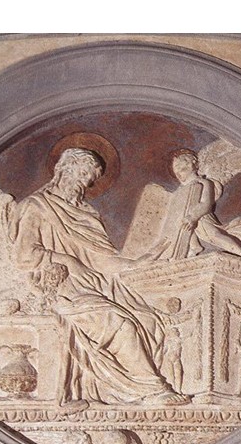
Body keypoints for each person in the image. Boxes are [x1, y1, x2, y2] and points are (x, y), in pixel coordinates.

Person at [12, 148, 189, 408]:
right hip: (60, 288)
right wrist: (68, 261)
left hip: (93, 285)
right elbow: (24, 256)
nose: (85, 183)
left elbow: (102, 260)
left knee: (149, 320)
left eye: (90, 179)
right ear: (64, 168)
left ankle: (127, 391)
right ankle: (153, 390)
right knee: (120, 324)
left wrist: (137, 263)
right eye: (83, 173)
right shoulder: (36, 207)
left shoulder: (87, 214)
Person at [159, 150, 241, 260]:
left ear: (194, 164)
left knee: (214, 235)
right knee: (183, 225)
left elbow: (206, 204)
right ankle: (195, 246)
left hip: (201, 216)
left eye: (183, 166)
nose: (179, 171)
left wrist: (193, 217)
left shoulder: (204, 183)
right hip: (188, 218)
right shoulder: (180, 190)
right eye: (176, 169)